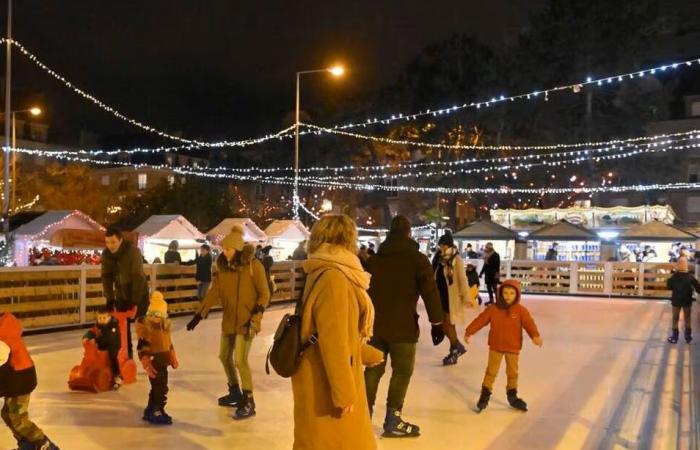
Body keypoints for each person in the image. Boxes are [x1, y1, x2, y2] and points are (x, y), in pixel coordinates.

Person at [292, 214, 376, 450]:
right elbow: (333, 340)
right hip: (325, 387)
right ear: (348, 240)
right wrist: (344, 393)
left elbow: (334, 329)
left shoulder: (323, 271)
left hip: (318, 377)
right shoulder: (334, 278)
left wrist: (364, 352)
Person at [364, 215, 444, 438]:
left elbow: (362, 292)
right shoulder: (417, 260)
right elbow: (430, 291)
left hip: (375, 327)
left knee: (373, 369)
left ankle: (362, 416)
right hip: (403, 328)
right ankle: (393, 419)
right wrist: (437, 323)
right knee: (402, 371)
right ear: (409, 233)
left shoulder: (374, 260)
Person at [186, 225, 270, 420]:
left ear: (239, 249)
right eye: (224, 249)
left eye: (229, 249)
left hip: (247, 321)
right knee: (224, 356)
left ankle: (249, 400)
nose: (225, 252)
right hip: (229, 320)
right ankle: (235, 391)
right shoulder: (222, 268)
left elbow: (264, 294)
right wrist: (199, 314)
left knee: (240, 360)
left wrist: (257, 315)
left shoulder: (253, 266)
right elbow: (214, 292)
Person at [465, 279, 542, 413]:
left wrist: (535, 336)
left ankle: (512, 396)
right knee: (491, 372)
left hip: (513, 348)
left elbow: (529, 324)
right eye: (505, 293)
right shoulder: (493, 309)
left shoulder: (520, 311)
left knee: (512, 373)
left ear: (517, 295)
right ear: (500, 293)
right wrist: (469, 331)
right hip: (496, 346)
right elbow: (481, 320)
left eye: (512, 293)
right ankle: (484, 396)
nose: (508, 296)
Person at [0, 312, 60, 450]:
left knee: (18, 417)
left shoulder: (2, 337)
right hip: (15, 378)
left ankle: (44, 444)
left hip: (20, 379)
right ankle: (27, 445)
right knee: (7, 414)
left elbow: (2, 361)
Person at [102, 227, 149, 358]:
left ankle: (147, 356)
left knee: (141, 327)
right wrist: (110, 299)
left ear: (120, 240)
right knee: (123, 328)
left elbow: (138, 277)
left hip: (139, 294)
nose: (110, 245)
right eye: (107, 242)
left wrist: (135, 301)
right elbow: (106, 276)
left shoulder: (133, 252)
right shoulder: (106, 255)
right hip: (121, 295)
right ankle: (127, 357)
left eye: (113, 242)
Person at [136, 291, 179, 425]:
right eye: (154, 315)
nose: (157, 318)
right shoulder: (147, 328)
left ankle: (151, 409)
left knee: (158, 387)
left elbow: (169, 345)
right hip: (154, 363)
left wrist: (173, 358)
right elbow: (142, 347)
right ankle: (157, 411)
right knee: (161, 388)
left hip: (163, 362)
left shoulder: (165, 327)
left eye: (159, 315)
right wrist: (146, 362)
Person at [434, 232, 473, 366]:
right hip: (440, 296)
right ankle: (456, 348)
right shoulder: (439, 259)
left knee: (448, 324)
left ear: (449, 245)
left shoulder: (456, 260)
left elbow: (462, 279)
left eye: (443, 245)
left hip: (451, 297)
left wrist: (467, 297)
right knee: (444, 325)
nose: (441, 248)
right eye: (440, 245)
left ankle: (455, 349)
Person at [82, 307, 123, 390]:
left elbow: (109, 337)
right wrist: (86, 337)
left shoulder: (113, 326)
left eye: (104, 318)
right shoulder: (98, 326)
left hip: (113, 345)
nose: (102, 320)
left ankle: (117, 376)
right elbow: (92, 332)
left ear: (109, 317)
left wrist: (96, 340)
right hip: (102, 344)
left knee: (113, 357)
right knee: (92, 355)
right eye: (100, 318)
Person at [666, 257, 700, 344]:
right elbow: (698, 289)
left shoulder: (674, 276)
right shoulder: (690, 277)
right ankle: (688, 337)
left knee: (675, 319)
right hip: (687, 301)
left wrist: (671, 276)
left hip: (676, 301)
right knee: (687, 318)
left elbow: (669, 286)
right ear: (686, 266)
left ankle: (674, 337)